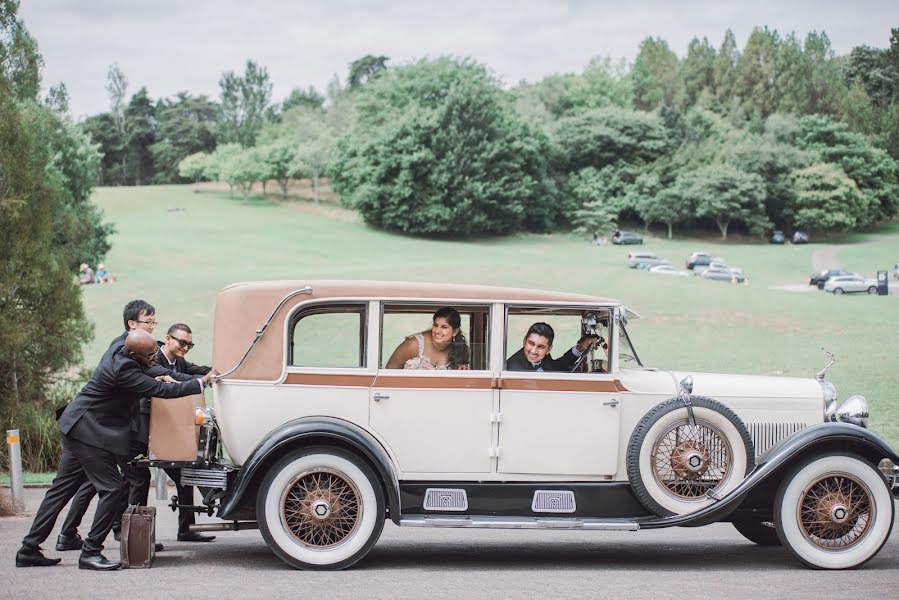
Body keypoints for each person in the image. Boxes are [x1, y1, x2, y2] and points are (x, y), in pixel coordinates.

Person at [16, 330, 212, 571]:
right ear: (134, 354)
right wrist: (199, 383)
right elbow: (161, 391)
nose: (154, 358)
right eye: (150, 355)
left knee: (60, 490)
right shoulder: (125, 370)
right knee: (112, 489)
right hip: (88, 431)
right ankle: (91, 552)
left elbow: (149, 372)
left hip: (75, 423)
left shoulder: (118, 349)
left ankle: (28, 550)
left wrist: (160, 377)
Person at [55, 300, 175, 553]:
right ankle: (126, 533)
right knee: (132, 478)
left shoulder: (137, 347)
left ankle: (68, 534)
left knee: (91, 482)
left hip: (104, 428)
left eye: (154, 321)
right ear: (132, 324)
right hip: (108, 429)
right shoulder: (125, 347)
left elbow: (154, 371)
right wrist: (192, 381)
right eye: (148, 321)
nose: (152, 326)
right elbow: (148, 377)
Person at [152, 323, 216, 542]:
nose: (185, 348)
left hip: (171, 430)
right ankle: (125, 530)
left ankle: (186, 529)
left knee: (185, 477)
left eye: (190, 344)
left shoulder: (179, 361)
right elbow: (173, 378)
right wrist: (202, 381)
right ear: (167, 338)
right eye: (182, 343)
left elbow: (194, 369)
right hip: (149, 432)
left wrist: (215, 371)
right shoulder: (153, 360)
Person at [385, 307, 470, 370]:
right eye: (435, 325)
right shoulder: (414, 345)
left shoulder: (461, 350)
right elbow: (388, 373)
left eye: (444, 327)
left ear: (455, 332)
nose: (437, 331)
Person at [506, 322, 598, 372]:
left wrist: (580, 348)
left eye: (541, 347)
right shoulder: (515, 368)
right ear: (524, 341)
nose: (534, 351)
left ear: (548, 349)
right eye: (531, 343)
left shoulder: (544, 358)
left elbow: (558, 366)